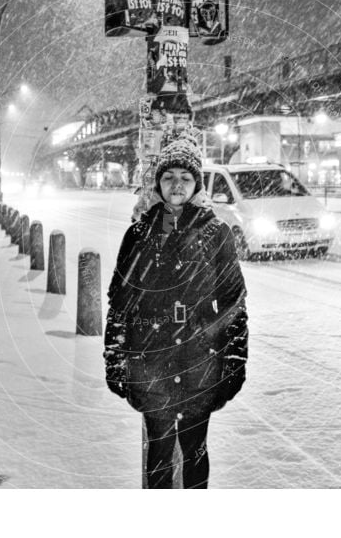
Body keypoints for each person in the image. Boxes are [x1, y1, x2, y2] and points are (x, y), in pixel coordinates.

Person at [103, 133, 248, 489]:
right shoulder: (139, 234)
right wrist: (115, 359)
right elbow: (120, 303)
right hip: (151, 361)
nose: (177, 185)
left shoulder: (216, 233)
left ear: (196, 183)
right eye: (169, 177)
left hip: (200, 361)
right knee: (158, 455)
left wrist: (235, 361)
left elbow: (234, 304)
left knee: (195, 452)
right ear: (159, 183)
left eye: (185, 177)